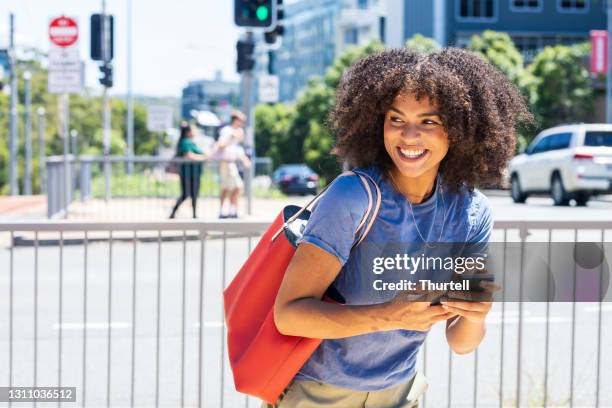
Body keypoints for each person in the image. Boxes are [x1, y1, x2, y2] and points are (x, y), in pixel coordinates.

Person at [268, 48, 533, 407]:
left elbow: (462, 343)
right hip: (319, 393)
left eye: (429, 121)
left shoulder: (473, 212)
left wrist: (476, 314)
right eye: (396, 119)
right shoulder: (353, 196)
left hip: (400, 393)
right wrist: (387, 316)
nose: (409, 136)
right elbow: (290, 315)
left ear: (459, 130)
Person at [215, 110, 251, 218]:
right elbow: (221, 145)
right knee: (235, 187)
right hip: (226, 163)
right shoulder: (227, 131)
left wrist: (244, 159)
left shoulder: (236, 131)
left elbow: (236, 148)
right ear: (235, 120)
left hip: (232, 163)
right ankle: (227, 211)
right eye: (241, 121)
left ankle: (230, 211)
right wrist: (233, 136)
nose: (242, 124)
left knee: (231, 188)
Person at [169, 121, 208, 219]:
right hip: (188, 173)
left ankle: (194, 214)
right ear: (188, 132)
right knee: (186, 193)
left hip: (194, 173)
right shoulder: (185, 142)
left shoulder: (191, 142)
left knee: (194, 193)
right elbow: (188, 155)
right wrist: (203, 158)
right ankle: (174, 211)